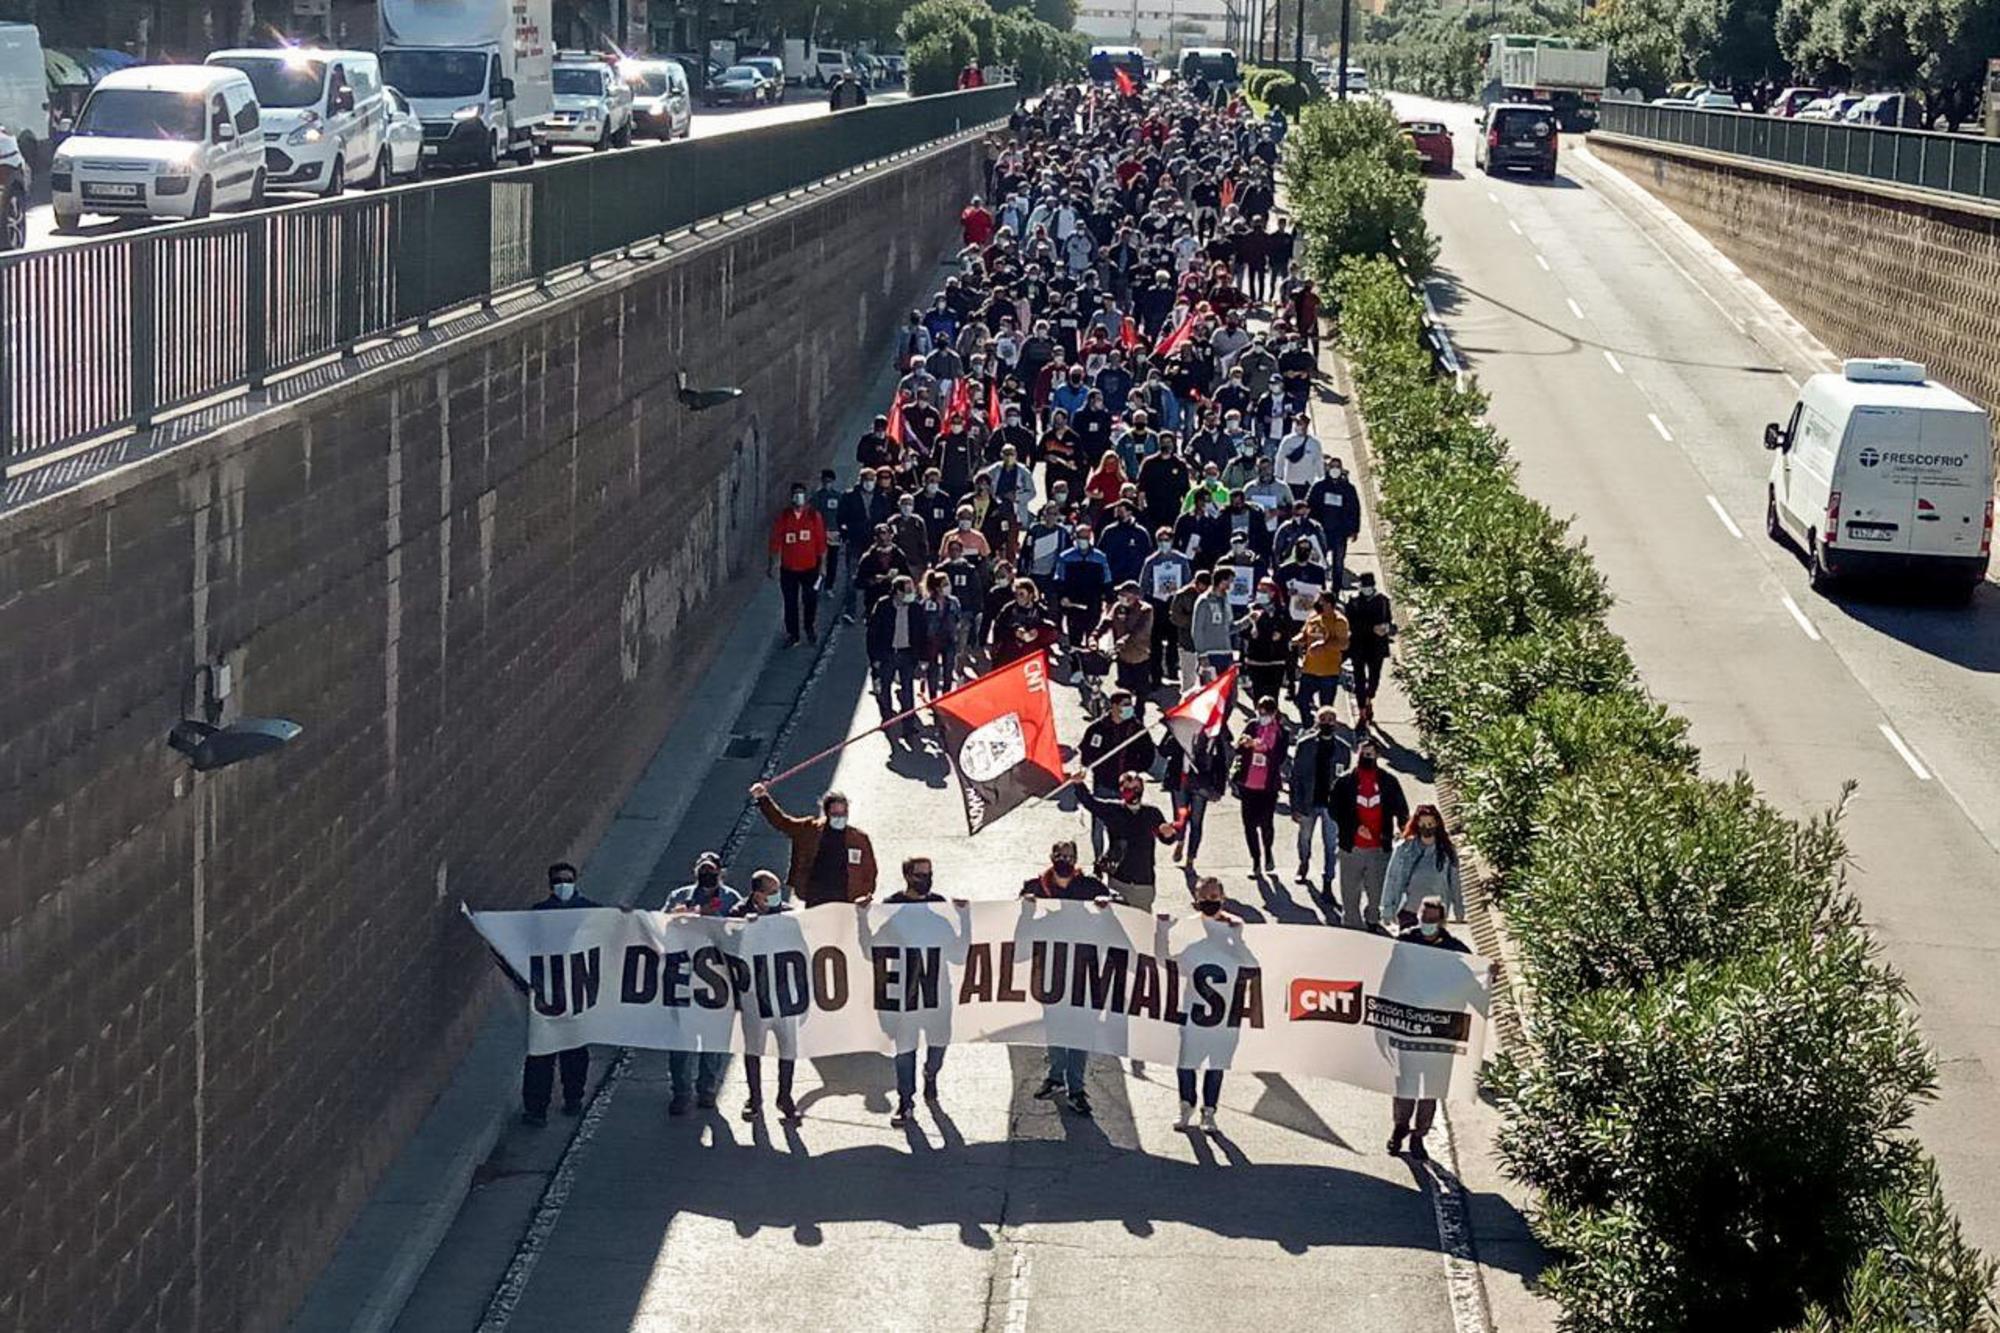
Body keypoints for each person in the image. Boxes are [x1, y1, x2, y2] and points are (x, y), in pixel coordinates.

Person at [1021, 839, 1113, 1114]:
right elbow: (1016, 922)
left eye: (1069, 855)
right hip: (1050, 969)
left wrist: (1107, 905)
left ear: (1076, 858)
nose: (1064, 859)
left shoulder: (1091, 886)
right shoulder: (1034, 887)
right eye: (1059, 854)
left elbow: (1119, 912)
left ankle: (1076, 1088)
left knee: (1080, 1033)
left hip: (1084, 970)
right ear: (1050, 856)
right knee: (1055, 1029)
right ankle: (1055, 1076)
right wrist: (1024, 906)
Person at [1389, 896, 1472, 1159]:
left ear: (1442, 921)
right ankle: (1399, 1128)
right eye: (1424, 918)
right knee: (1405, 1086)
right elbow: (1388, 974)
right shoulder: (1405, 941)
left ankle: (1419, 1136)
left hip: (1439, 1031)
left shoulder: (1455, 949)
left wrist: (1489, 973)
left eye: (1432, 920)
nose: (1427, 924)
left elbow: (1472, 980)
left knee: (1431, 1089)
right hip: (1408, 1027)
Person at [663, 852, 744, 1113]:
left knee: (714, 1040)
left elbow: (740, 933)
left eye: (712, 870)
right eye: (703, 869)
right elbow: (663, 924)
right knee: (681, 1042)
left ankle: (707, 1090)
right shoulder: (679, 897)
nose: (707, 875)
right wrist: (697, 913)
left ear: (720, 872)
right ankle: (681, 1092)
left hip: (717, 983)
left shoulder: (731, 898)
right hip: (683, 979)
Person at [879, 856, 957, 1125]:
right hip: (905, 992)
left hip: (937, 992)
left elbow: (957, 948)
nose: (926, 879)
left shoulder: (939, 904)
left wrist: (965, 918)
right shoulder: (891, 906)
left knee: (938, 1045)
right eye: (920, 874)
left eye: (929, 874)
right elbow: (874, 943)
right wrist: (861, 914)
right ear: (907, 876)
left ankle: (931, 1074)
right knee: (904, 1050)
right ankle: (905, 1101)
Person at [518, 863, 594, 1126]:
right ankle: (536, 1109)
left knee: (574, 1051)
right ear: (550, 885)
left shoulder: (593, 911)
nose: (564, 884)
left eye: (568, 879)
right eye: (559, 880)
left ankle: (573, 1097)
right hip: (546, 993)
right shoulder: (539, 913)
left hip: (577, 991)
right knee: (541, 1054)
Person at [1172, 875, 1244, 1132]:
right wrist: (1161, 930)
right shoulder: (1188, 927)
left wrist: (1236, 937)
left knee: (1216, 1064)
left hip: (1224, 1012)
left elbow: (1248, 961)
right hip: (1193, 1008)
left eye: (1214, 897)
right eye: (1204, 898)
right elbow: (1169, 959)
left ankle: (1209, 1111)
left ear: (1223, 898)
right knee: (1186, 1062)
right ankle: (1186, 1104)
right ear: (1196, 898)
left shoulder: (1235, 926)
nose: (1209, 902)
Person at [729, 870, 801, 1122]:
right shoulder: (739, 913)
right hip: (755, 995)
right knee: (753, 1049)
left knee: (789, 1048)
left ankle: (785, 1096)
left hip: (783, 993)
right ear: (757, 894)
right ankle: (754, 1097)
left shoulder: (786, 913)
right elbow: (729, 944)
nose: (776, 897)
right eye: (771, 892)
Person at [750, 782, 879, 905]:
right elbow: (782, 822)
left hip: (847, 901)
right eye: (835, 814)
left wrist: (865, 895)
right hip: (816, 899)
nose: (840, 817)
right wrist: (763, 798)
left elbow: (870, 871)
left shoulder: (859, 839)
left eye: (843, 813)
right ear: (826, 813)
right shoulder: (809, 830)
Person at [1330, 737, 1409, 930]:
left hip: (1379, 847)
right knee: (1350, 892)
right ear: (1357, 753)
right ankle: (1351, 925)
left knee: (1376, 892)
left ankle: (1373, 920)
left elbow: (1401, 809)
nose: (1367, 756)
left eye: (1371, 753)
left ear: (1378, 755)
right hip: (1351, 847)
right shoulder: (1345, 782)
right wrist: (1354, 826)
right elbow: (1334, 810)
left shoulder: (1388, 782)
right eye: (1364, 753)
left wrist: (1405, 830)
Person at [1072, 770, 1178, 911]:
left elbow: (1166, 838)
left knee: (1142, 924)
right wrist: (1079, 784)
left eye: (1136, 788)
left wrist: (1168, 834)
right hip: (1118, 882)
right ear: (1121, 790)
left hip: (1143, 883)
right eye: (1128, 789)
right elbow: (1091, 803)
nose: (1133, 792)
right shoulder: (1113, 810)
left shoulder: (1152, 813)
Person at [1076, 690, 1156, 858]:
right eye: (1125, 705)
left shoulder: (1137, 729)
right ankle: (1098, 858)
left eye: (1130, 705)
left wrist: (1135, 770)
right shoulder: (1097, 729)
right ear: (1113, 707)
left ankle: (1116, 857)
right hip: (1103, 784)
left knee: (1121, 826)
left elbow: (1149, 754)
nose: (1129, 709)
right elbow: (1087, 754)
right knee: (1098, 822)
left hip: (1126, 788)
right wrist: (1090, 765)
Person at [1288, 705, 1348, 896]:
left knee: (1331, 845)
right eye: (1323, 719)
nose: (1327, 723)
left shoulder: (1343, 749)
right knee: (1304, 838)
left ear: (1336, 723)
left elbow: (1346, 780)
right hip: (1308, 801)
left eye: (1331, 719)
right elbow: (1295, 776)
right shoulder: (1305, 745)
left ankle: (1328, 880)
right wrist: (1294, 805)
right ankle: (1303, 862)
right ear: (1317, 722)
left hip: (1332, 806)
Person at [867, 574, 928, 744]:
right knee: (884, 688)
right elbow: (872, 634)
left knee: (907, 689)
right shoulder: (883, 606)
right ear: (897, 592)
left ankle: (908, 725)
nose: (911, 593)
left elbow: (922, 634)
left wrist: (923, 657)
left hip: (908, 654)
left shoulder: (916, 609)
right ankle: (887, 718)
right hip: (887, 654)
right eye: (907, 590)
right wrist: (875, 658)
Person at [1382, 805, 1465, 928]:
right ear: (1416, 824)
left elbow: (1454, 882)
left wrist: (1459, 909)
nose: (1427, 828)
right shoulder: (1404, 849)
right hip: (1408, 911)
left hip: (1435, 914)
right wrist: (1388, 910)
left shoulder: (1447, 851)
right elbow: (1393, 879)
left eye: (1430, 824)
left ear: (1437, 824)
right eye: (1423, 824)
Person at [768, 480, 829, 647]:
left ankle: (809, 627)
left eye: (801, 494)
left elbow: (821, 542)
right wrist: (773, 563)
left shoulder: (813, 516)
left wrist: (822, 565)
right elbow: (776, 541)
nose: (798, 497)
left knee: (810, 599)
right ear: (791, 497)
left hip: (810, 567)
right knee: (790, 602)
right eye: (795, 494)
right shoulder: (784, 517)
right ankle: (793, 634)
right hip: (789, 569)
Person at [1234, 695, 1290, 874]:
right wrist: (1244, 744)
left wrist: (1260, 747)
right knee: (1249, 825)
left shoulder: (1281, 732)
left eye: (1266, 712)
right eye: (1260, 711)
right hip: (1248, 784)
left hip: (1268, 786)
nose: (1262, 715)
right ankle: (1256, 860)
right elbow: (1239, 749)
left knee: (1266, 823)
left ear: (1274, 713)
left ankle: (1268, 851)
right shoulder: (1252, 725)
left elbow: (1279, 758)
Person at [1344, 572, 1394, 733]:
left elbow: (1389, 621)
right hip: (1358, 645)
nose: (1366, 589)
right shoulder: (1353, 601)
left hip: (1376, 647)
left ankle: (1368, 699)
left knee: (1374, 678)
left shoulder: (1383, 601)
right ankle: (1362, 712)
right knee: (1359, 679)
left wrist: (1386, 629)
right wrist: (1371, 628)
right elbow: (1350, 623)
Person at [1292, 590, 1349, 723]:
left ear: (1329, 604)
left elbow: (1344, 643)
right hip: (1309, 669)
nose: (1317, 604)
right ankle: (1308, 725)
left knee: (1326, 708)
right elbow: (1304, 634)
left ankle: (1324, 731)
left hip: (1328, 672)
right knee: (1302, 701)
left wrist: (1324, 645)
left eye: (1321, 602)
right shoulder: (1313, 618)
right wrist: (1294, 640)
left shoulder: (1339, 621)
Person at [1306, 456, 1361, 587]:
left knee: (1338, 563)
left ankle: (1336, 588)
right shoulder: (1319, 486)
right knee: (1318, 562)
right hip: (1321, 531)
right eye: (1332, 466)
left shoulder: (1348, 489)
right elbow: (1309, 504)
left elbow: (1355, 509)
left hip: (1340, 532)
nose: (1334, 469)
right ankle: (1320, 587)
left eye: (1337, 467)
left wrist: (1354, 530)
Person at [1103, 580, 1155, 697]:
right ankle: (1126, 713)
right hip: (1122, 656)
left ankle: (1139, 713)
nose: (1120, 597)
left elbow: (1140, 630)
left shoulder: (1146, 610)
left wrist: (1124, 640)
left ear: (1134, 596)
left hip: (1140, 656)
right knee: (1124, 690)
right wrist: (1094, 636)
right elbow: (1107, 622)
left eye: (1123, 594)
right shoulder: (1118, 607)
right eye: (1120, 594)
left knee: (1141, 690)